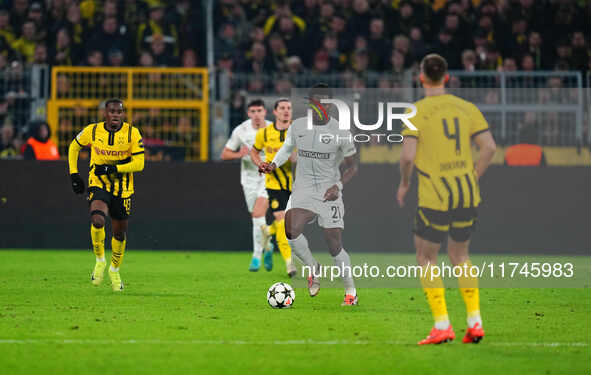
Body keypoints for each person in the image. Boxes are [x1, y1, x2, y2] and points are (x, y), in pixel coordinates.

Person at [396, 54, 497, 345]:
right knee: (460, 255)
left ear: (422, 78)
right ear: (447, 77)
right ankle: (475, 323)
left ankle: (442, 324)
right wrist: (472, 176)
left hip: (435, 196)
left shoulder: (416, 111)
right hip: (466, 192)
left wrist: (404, 183)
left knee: (426, 257)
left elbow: (407, 156)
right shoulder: (466, 108)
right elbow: (489, 148)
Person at [259, 84, 359, 305]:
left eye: (322, 103)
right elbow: (286, 149)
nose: (317, 107)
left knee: (333, 244)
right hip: (303, 189)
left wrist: (338, 187)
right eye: (313, 103)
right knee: (290, 228)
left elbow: (353, 167)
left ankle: (350, 292)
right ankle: (313, 266)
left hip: (328, 191)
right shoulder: (298, 126)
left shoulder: (341, 132)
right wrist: (273, 164)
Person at [67, 99, 145, 292]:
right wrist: (74, 174)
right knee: (98, 220)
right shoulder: (92, 131)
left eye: (119, 112)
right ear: (105, 114)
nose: (116, 115)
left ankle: (114, 270)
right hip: (98, 184)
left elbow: (140, 163)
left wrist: (114, 168)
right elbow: (73, 147)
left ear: (123, 114)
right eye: (112, 112)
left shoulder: (132, 133)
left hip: (123, 188)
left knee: (119, 232)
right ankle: (100, 259)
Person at [221, 99, 273, 272]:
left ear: (265, 112)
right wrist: (238, 154)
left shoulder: (274, 128)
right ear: (248, 114)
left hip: (269, 177)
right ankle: (268, 247)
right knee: (256, 218)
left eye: (259, 111)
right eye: (253, 111)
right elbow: (225, 154)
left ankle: (256, 256)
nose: (256, 115)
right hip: (249, 179)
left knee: (258, 213)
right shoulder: (241, 130)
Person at [251, 99, 297, 278]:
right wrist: (260, 163)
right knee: (282, 220)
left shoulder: (299, 131)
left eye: (289, 108)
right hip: (274, 184)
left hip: (296, 184)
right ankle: (289, 264)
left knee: (292, 226)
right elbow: (254, 151)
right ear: (275, 112)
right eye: (282, 108)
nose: (286, 111)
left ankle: (267, 232)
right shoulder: (265, 133)